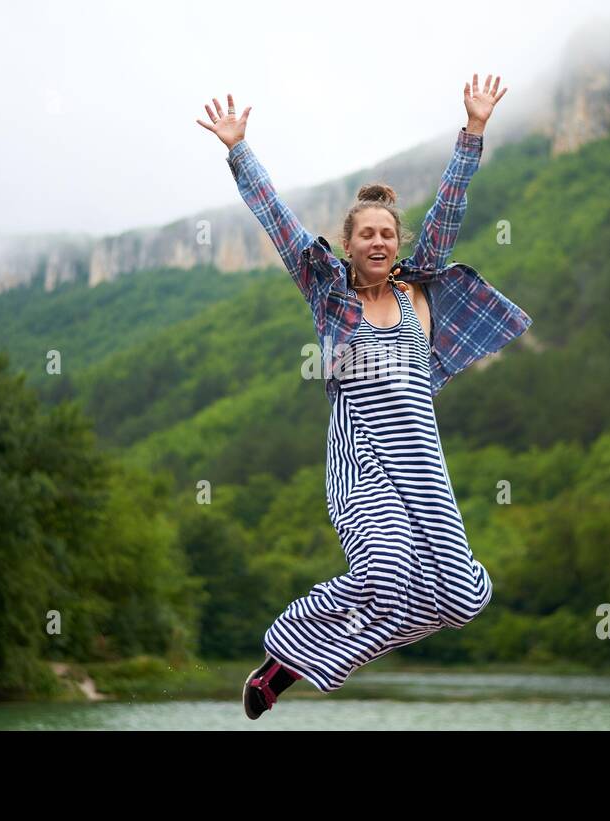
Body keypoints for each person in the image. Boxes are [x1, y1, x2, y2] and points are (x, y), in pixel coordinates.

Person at [197, 74, 531, 719]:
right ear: (348, 246)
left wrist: (474, 131)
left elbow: (450, 208)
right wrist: (239, 151)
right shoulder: (331, 298)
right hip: (363, 464)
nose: (378, 241)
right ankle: (285, 659)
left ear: (398, 244)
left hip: (423, 466)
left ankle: (306, 656)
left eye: (387, 234)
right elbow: (279, 221)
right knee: (388, 577)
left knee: (462, 595)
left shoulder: (419, 292)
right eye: (365, 235)